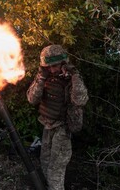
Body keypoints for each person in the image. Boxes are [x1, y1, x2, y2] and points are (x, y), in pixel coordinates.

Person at [27, 45, 89, 190]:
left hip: (62, 128)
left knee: (56, 169)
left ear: (63, 63)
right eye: (48, 67)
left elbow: (81, 100)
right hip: (47, 126)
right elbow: (32, 99)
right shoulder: (44, 76)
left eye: (54, 66)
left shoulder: (72, 78)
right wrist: (41, 77)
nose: (52, 70)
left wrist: (74, 76)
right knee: (45, 161)